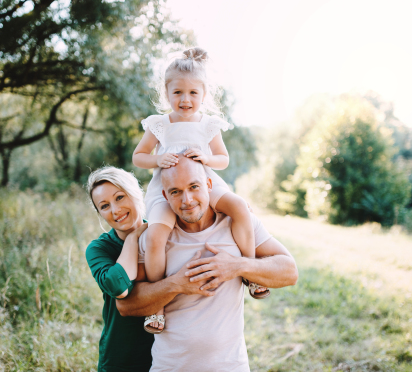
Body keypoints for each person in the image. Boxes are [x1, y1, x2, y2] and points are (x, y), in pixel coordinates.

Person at [117, 155, 299, 372]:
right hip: (170, 367)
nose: (187, 200)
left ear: (209, 185)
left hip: (232, 366)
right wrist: (176, 284)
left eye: (194, 187)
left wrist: (238, 266)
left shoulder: (238, 223)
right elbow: (126, 306)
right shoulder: (155, 238)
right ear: (165, 195)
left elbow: (290, 271)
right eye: (176, 192)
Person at [132, 47, 265, 334]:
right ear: (166, 93)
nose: (185, 99)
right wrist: (157, 159)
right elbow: (138, 156)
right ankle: (157, 304)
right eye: (177, 92)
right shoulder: (159, 124)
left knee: (239, 207)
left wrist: (207, 159)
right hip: (167, 190)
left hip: (205, 182)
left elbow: (223, 159)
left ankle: (251, 270)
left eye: (193, 93)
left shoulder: (208, 125)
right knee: (156, 235)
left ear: (204, 95)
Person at [85, 167, 153, 372]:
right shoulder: (99, 248)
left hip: (167, 354)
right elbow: (118, 287)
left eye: (120, 197)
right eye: (104, 206)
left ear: (136, 193)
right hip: (122, 358)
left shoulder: (163, 234)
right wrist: (133, 238)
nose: (115, 210)